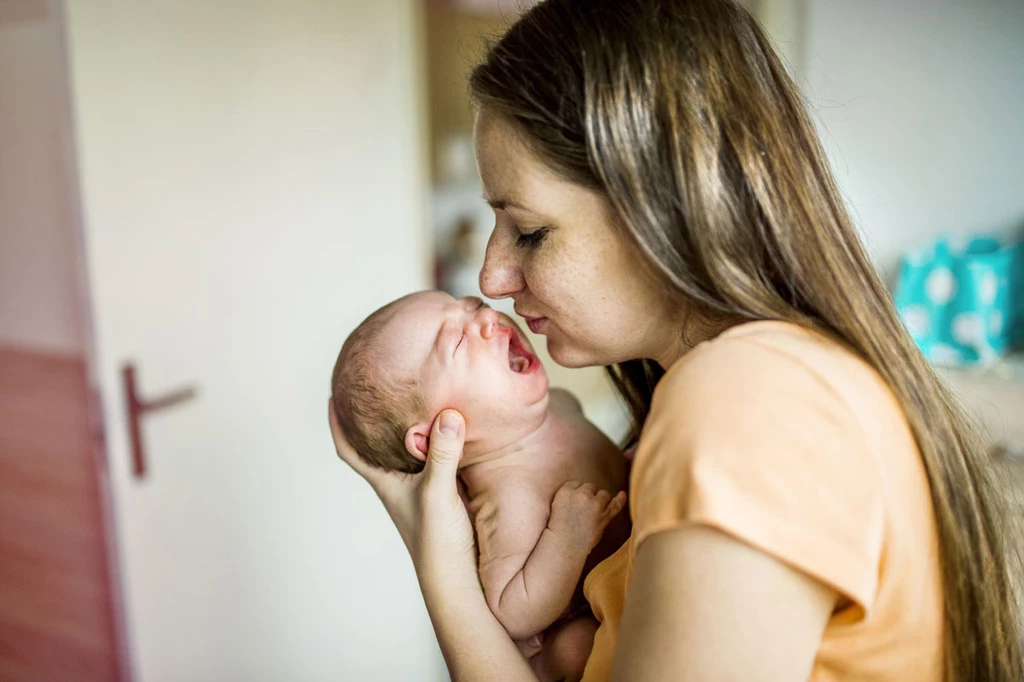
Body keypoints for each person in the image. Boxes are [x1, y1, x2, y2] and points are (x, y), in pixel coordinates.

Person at [328, 1, 1023, 680]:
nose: (492, 276)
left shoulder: (745, 400)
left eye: (529, 230)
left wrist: (440, 568)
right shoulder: (733, 392)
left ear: (661, 204)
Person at [330, 290, 629, 681]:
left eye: (473, 306)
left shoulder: (559, 403)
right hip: (586, 619)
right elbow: (513, 611)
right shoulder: (508, 495)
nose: (489, 320)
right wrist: (567, 538)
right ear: (433, 436)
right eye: (455, 341)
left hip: (633, 568)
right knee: (575, 646)